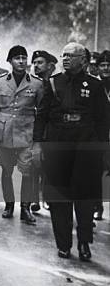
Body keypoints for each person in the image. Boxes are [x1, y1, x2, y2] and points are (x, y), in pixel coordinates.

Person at [34, 42, 109, 261]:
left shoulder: (95, 86)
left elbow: (104, 121)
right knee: (58, 197)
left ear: (83, 60)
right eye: (63, 55)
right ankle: (64, 244)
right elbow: (42, 116)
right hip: (58, 145)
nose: (65, 59)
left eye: (71, 55)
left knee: (85, 198)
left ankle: (85, 242)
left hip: (86, 147)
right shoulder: (53, 83)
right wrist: (38, 144)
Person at [0, 46, 44, 225]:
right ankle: (9, 204)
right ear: (9, 61)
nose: (21, 61)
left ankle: (26, 208)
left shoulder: (36, 83)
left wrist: (38, 138)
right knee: (6, 170)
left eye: (23, 57)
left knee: (27, 171)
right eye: (17, 58)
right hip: (3, 132)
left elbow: (41, 111)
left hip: (26, 132)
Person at [30, 50, 58, 212]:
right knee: (33, 164)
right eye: (34, 63)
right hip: (31, 127)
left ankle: (46, 196)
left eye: (40, 62)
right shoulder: (30, 83)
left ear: (51, 66)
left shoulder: (55, 84)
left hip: (50, 130)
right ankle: (34, 198)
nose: (36, 66)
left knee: (48, 165)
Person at [95, 50, 110, 220]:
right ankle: (97, 205)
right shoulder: (93, 85)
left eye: (108, 65)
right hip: (99, 137)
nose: (106, 68)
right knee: (96, 171)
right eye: (102, 65)